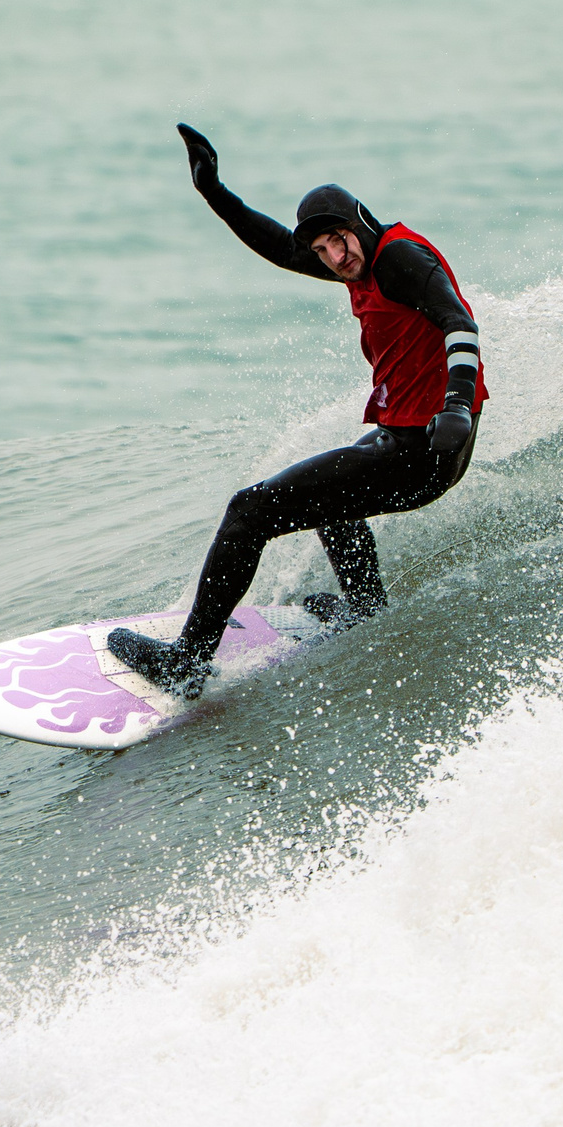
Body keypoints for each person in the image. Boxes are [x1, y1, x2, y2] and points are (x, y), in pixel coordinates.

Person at [107, 124, 489, 699]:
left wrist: (457, 407)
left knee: (248, 512)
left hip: (428, 447)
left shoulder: (397, 260)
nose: (334, 259)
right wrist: (216, 194)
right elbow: (281, 247)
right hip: (414, 439)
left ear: (359, 223)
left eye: (338, 242)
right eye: (322, 252)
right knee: (331, 492)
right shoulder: (358, 262)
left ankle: (188, 663)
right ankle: (364, 610)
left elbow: (460, 321)